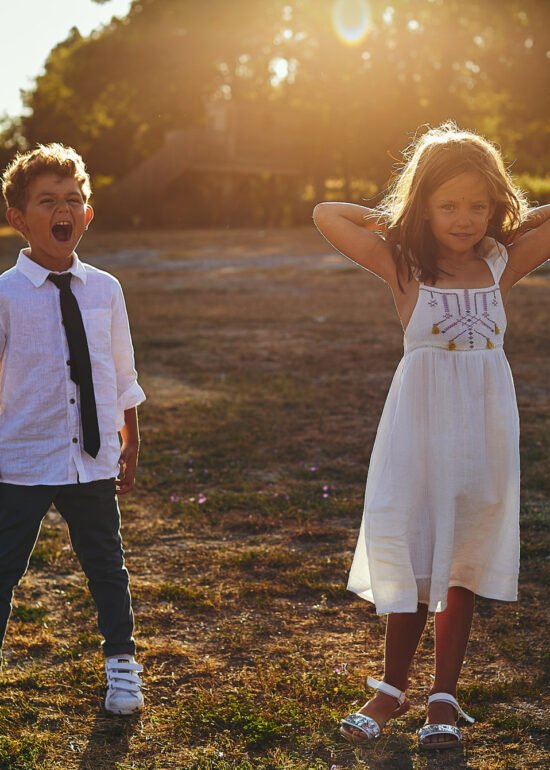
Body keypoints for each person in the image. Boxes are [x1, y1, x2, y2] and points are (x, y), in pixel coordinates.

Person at [313, 122, 550, 749]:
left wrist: (519, 220)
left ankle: (443, 698)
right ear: (424, 205)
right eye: (447, 205)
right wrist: (393, 217)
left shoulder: (500, 262)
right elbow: (325, 215)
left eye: (478, 204)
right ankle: (390, 690)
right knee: (416, 551)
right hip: (419, 426)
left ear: (495, 204)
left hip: (483, 428)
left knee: (463, 558)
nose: (465, 218)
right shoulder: (403, 263)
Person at [0, 143, 146, 715]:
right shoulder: (5, 296)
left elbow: (120, 368)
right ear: (18, 219)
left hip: (91, 456)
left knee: (106, 562)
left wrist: (128, 434)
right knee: (4, 567)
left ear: (87, 214)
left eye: (73, 200)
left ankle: (122, 666)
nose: (64, 210)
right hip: (21, 458)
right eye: (47, 201)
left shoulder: (106, 289)